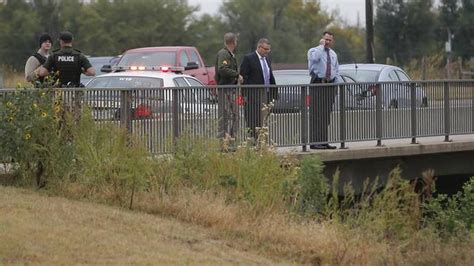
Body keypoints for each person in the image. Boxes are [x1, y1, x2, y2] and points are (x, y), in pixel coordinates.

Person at [307, 31, 339, 149]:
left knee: (326, 115)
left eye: (330, 40)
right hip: (317, 83)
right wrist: (321, 46)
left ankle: (324, 141)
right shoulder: (314, 51)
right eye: (326, 39)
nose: (327, 42)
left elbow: (336, 70)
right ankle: (314, 143)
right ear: (322, 39)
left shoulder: (333, 54)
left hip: (329, 85)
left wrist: (336, 86)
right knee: (316, 114)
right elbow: (315, 59)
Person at [239, 38, 277, 139]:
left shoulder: (267, 59)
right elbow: (243, 77)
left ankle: (262, 140)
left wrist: (274, 93)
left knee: (264, 119)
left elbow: (269, 75)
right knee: (253, 119)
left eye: (269, 50)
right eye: (265, 49)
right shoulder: (249, 58)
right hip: (253, 95)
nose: (267, 52)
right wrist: (245, 95)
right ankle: (254, 140)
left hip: (266, 94)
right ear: (259, 47)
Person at [215, 32, 243, 138]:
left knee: (235, 114)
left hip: (230, 89)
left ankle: (231, 136)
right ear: (233, 42)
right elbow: (222, 69)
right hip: (225, 89)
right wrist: (237, 75)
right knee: (225, 114)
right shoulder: (224, 54)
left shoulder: (229, 54)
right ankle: (225, 137)